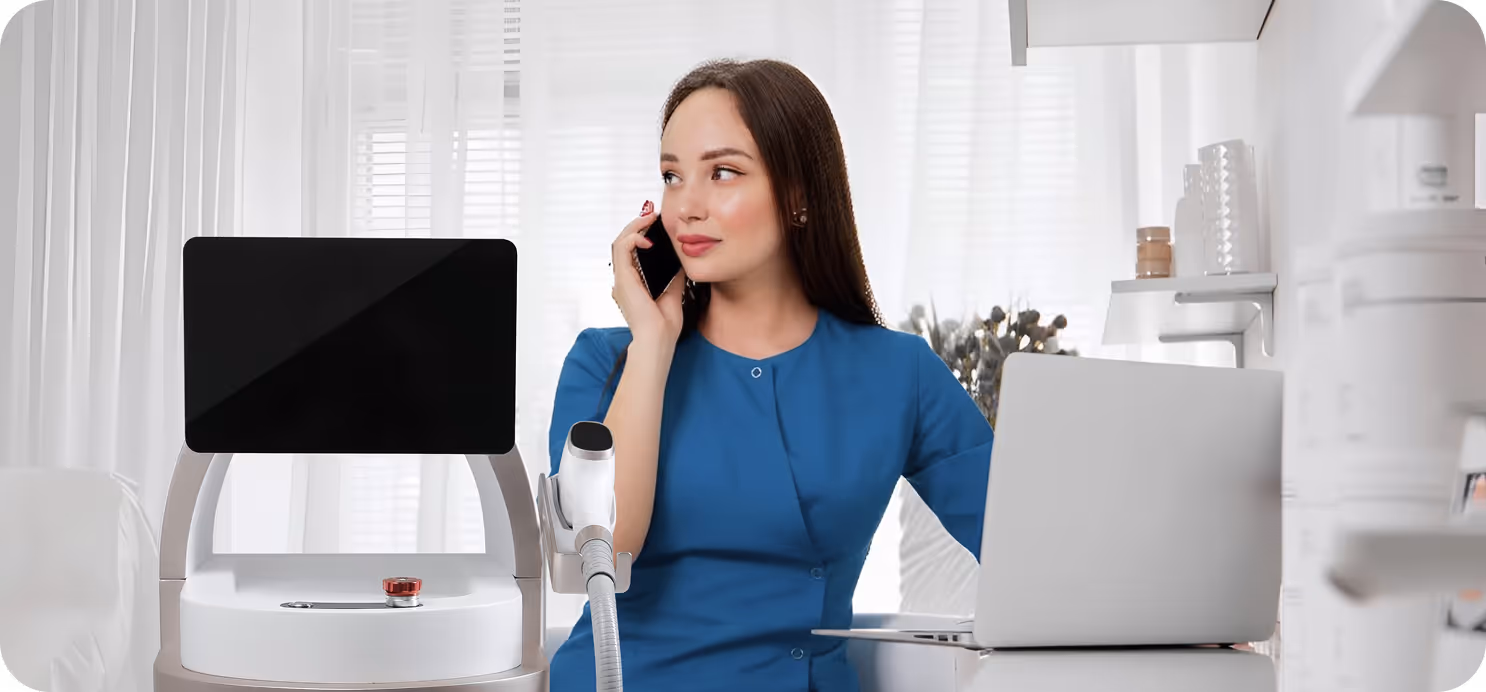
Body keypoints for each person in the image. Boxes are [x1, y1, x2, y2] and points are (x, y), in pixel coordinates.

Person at [547, 58, 994, 692]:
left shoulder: (899, 373)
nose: (686, 207)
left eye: (722, 172)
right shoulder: (606, 361)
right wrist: (652, 341)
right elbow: (604, 549)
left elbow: (1028, 552)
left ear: (799, 196)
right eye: (673, 177)